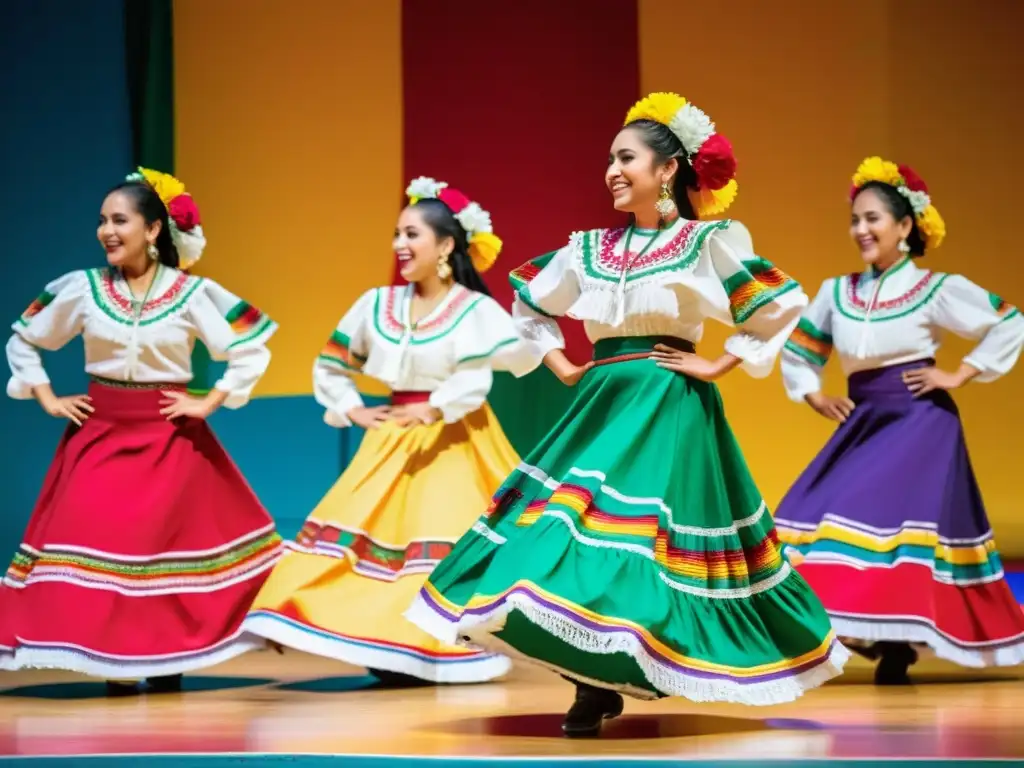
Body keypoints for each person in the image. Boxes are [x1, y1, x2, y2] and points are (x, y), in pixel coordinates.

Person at [405, 92, 848, 737]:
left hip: (669, 405)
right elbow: (532, 305)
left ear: (667, 169)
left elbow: (778, 304)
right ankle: (591, 679)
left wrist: (718, 363)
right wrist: (564, 367)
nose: (612, 170)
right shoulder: (590, 249)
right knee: (562, 533)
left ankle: (619, 674)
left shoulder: (707, 242)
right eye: (609, 159)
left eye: (626, 158)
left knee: (641, 545)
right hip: (603, 400)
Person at [0, 168, 282, 695]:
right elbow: (24, 339)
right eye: (103, 221)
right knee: (100, 547)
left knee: (162, 554)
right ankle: (116, 666)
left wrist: (211, 400)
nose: (107, 230)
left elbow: (250, 346)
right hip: (100, 435)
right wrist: (45, 396)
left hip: (168, 438)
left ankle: (166, 663)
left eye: (120, 220)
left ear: (153, 230)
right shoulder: (82, 289)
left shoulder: (193, 292)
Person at [244, 177, 531, 686]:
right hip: (393, 437)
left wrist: (438, 406)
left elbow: (480, 371)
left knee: (438, 542)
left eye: (413, 234)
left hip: (457, 439)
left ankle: (439, 647)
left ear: (445, 246)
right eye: (397, 233)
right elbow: (331, 364)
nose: (400, 244)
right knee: (373, 544)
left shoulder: (471, 309)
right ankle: (386, 646)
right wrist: (352, 410)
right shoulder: (377, 305)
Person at [775, 156, 1024, 684]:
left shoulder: (935, 288)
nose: (861, 230)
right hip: (865, 418)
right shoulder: (838, 293)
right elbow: (800, 351)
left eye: (873, 219)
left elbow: (1009, 323)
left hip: (920, 424)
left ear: (905, 226)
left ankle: (890, 643)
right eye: (855, 220)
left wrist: (961, 373)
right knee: (812, 511)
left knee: (891, 525)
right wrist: (813, 395)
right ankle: (880, 639)